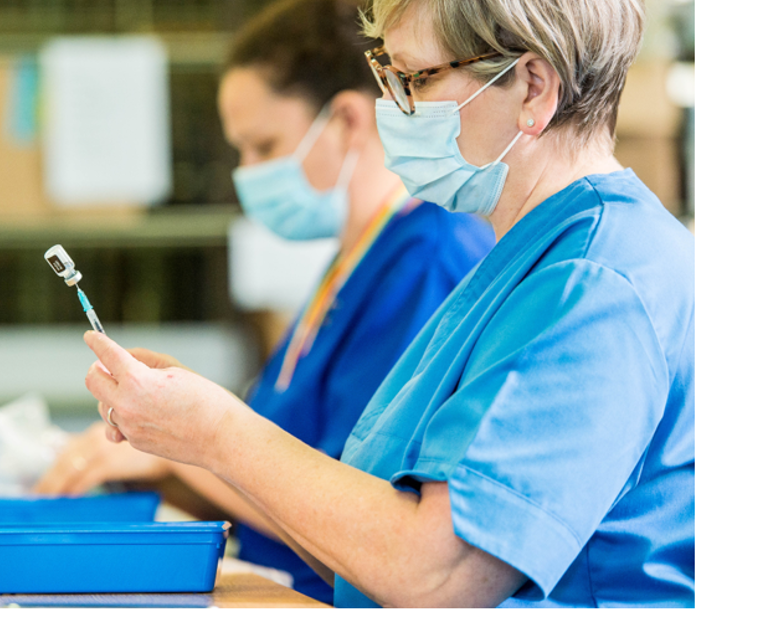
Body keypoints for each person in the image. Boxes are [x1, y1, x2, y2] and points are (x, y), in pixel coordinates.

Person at [77, 0, 694, 608]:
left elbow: (438, 574)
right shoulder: (523, 261)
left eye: (414, 80)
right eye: (387, 78)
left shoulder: (595, 283)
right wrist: (191, 433)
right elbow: (367, 556)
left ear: (532, 87)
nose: (391, 111)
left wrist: (217, 432)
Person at [32, 0, 495, 605]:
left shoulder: (428, 259)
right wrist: (168, 449)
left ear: (348, 122)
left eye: (264, 145)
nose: (247, 174)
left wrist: (202, 440)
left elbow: (364, 518)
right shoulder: (349, 265)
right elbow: (274, 474)